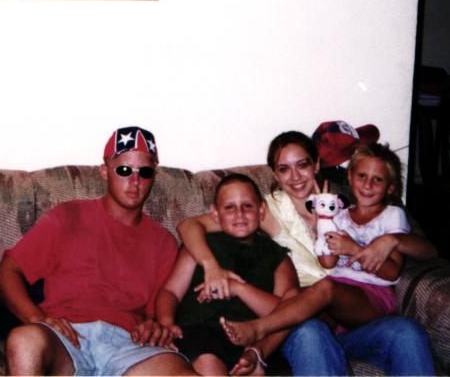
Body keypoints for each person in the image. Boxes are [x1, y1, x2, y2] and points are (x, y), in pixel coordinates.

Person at [177, 129, 436, 376]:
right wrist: (211, 266)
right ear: (275, 174)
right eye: (284, 169)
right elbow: (189, 225)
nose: (295, 177)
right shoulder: (265, 210)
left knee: (406, 331)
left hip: (352, 315)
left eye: (302, 165)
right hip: (301, 321)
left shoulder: (344, 203)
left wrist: (391, 240)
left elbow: (427, 250)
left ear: (316, 164)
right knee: (312, 330)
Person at [0, 126, 198, 376]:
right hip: (67, 339)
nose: (135, 181)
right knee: (24, 340)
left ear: (153, 175)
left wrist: (154, 327)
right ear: (105, 170)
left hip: (128, 346)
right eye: (124, 170)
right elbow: (8, 271)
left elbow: (159, 313)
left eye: (144, 172)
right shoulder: (68, 216)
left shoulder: (163, 242)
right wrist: (35, 317)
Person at [220, 143, 411, 345]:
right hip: (338, 299)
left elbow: (393, 272)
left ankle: (259, 328)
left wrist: (354, 248)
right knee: (294, 297)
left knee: (325, 287)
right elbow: (327, 263)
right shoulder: (340, 214)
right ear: (350, 177)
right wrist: (324, 221)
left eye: (377, 180)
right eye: (362, 176)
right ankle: (258, 354)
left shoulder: (392, 214)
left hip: (371, 295)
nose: (368, 185)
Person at [155, 174, 297, 375]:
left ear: (261, 209)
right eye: (229, 208)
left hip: (252, 340)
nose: (239, 214)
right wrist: (167, 323)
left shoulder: (278, 257)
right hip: (201, 331)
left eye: (247, 206)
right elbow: (170, 292)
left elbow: (284, 313)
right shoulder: (200, 246)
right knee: (207, 360)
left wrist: (237, 288)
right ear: (215, 213)